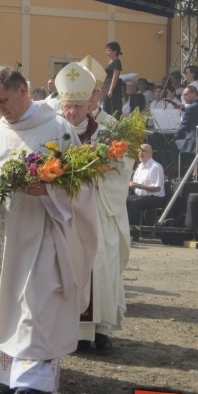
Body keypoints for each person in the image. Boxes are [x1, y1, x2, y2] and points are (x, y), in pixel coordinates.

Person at [0, 65, 98, 394]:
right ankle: (5, 373)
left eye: (3, 100)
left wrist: (46, 189)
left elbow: (81, 183)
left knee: (35, 305)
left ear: (23, 92)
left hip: (40, 233)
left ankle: (28, 384)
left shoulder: (57, 128)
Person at [59, 63, 134, 353]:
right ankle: (70, 328)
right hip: (66, 210)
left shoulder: (107, 131)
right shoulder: (54, 130)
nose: (73, 112)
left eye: (79, 106)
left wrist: (102, 165)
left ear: (90, 103)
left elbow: (123, 166)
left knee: (100, 264)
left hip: (99, 208)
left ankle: (100, 328)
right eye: (69, 106)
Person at [126, 144, 166, 229]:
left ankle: (134, 232)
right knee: (125, 200)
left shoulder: (155, 167)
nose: (140, 153)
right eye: (139, 151)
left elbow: (157, 188)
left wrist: (139, 186)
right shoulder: (139, 167)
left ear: (150, 154)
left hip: (155, 198)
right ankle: (125, 229)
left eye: (143, 151)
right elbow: (134, 182)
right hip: (141, 196)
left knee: (134, 203)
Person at [102, 41, 123, 117]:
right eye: (106, 50)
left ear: (115, 51)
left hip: (112, 89)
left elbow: (115, 76)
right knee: (107, 108)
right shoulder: (112, 62)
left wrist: (111, 90)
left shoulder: (116, 61)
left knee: (112, 108)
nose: (107, 52)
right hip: (107, 87)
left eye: (109, 50)